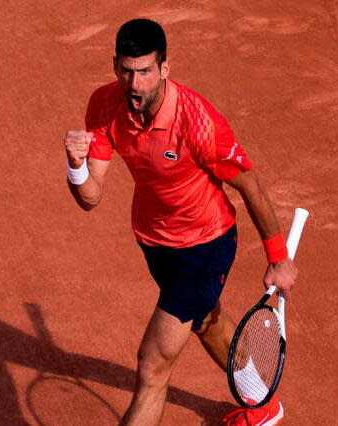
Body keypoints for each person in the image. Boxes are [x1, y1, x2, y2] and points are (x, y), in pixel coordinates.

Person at [62, 19, 299, 426]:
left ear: (165, 69)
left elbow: (251, 186)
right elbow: (90, 198)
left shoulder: (199, 123)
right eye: (126, 70)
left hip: (204, 247)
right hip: (156, 243)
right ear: (115, 65)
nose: (134, 83)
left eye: (145, 71)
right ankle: (263, 408)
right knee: (207, 322)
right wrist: (75, 167)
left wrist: (278, 257)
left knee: (152, 367)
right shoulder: (105, 104)